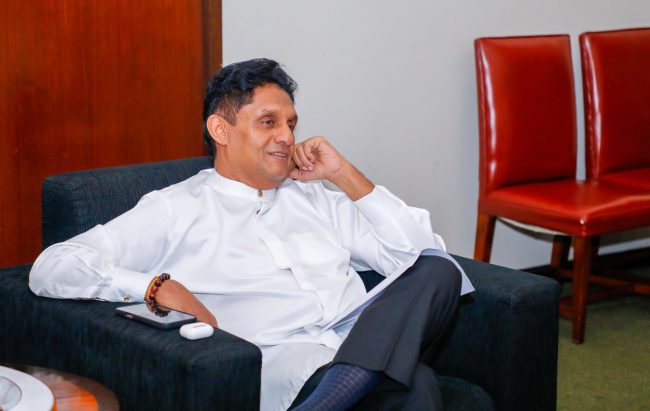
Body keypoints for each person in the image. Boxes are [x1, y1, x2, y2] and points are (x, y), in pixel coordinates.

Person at [30, 58, 473, 411]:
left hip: (360, 341)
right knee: (418, 384)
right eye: (268, 122)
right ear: (220, 130)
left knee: (438, 270)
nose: (287, 136)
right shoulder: (176, 207)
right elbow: (52, 267)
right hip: (291, 367)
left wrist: (344, 174)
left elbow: (418, 255)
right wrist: (154, 286)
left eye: (291, 123)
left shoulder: (316, 197)